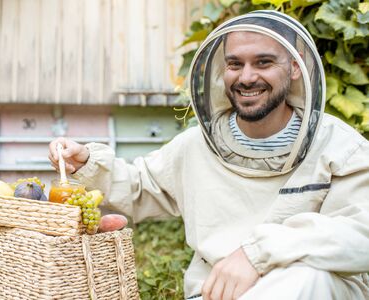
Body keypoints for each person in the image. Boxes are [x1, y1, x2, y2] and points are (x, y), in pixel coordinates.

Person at [49, 11, 369, 300]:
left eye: (263, 62)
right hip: (216, 293)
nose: (246, 77)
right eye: (234, 64)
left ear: (296, 68)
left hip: (313, 290)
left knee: (308, 275)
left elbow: (362, 233)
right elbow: (139, 187)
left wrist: (257, 253)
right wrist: (86, 162)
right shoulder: (195, 146)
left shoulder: (339, 147)